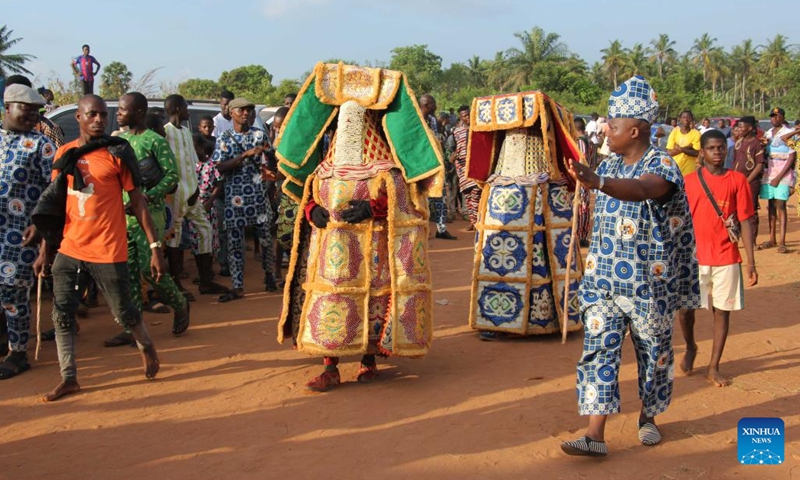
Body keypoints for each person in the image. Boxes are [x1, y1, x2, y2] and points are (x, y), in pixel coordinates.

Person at [275, 62, 440, 392]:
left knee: (372, 304)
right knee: (332, 303)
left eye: (356, 118)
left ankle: (368, 360)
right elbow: (308, 195)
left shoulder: (385, 169)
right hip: (330, 259)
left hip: (372, 255)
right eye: (344, 119)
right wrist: (311, 210)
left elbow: (405, 201)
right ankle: (330, 366)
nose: (350, 124)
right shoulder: (324, 168)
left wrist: (372, 208)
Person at [561, 76, 699, 457]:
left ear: (634, 129)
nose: (606, 128)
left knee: (653, 354)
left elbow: (643, 190)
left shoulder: (663, 165)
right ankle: (594, 435)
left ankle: (649, 418)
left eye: (613, 124)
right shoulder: (610, 164)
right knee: (598, 350)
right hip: (604, 280)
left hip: (648, 284)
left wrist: (598, 181)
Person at [32, 95, 165, 402]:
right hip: (70, 247)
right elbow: (54, 205)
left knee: (123, 312)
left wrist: (155, 246)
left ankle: (144, 343)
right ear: (77, 117)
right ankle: (69, 377)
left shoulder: (118, 153)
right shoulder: (65, 154)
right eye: (92, 114)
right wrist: (44, 250)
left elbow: (138, 202)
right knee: (62, 313)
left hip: (108, 248)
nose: (99, 120)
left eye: (103, 115)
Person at [466, 91, 584, 342]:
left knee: (536, 254)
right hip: (511, 186)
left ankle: (545, 318)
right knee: (500, 254)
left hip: (527, 185)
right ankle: (501, 319)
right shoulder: (502, 180)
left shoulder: (543, 178)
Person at [103, 92, 190, 348]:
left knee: (147, 268)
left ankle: (179, 303)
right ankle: (133, 328)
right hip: (121, 216)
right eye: (117, 109)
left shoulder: (154, 141)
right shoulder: (118, 140)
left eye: (122, 110)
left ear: (138, 112)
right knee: (127, 274)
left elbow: (171, 176)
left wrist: (146, 196)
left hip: (147, 215)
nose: (117, 114)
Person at [677, 130, 758, 387]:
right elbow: (679, 220)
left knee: (722, 312)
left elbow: (745, 220)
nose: (717, 152)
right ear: (702, 152)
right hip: (694, 256)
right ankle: (690, 346)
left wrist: (751, 262)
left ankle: (714, 366)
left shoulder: (738, 180)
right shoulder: (689, 181)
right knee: (686, 310)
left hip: (727, 256)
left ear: (727, 149)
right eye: (712, 148)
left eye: (721, 148)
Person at [0, 85, 54, 379]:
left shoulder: (42, 145)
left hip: (19, 233)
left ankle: (18, 353)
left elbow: (56, 189)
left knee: (13, 292)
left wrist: (42, 225)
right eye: (26, 109)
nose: (32, 115)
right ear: (7, 108)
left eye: (36, 110)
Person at [163, 95, 230, 296]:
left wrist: (196, 191)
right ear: (176, 108)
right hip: (175, 195)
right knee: (174, 238)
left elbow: (193, 163)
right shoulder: (165, 133)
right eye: (184, 107)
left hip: (192, 194)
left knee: (205, 231)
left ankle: (206, 280)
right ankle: (176, 284)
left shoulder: (185, 132)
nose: (188, 111)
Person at [212, 97, 276, 301]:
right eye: (241, 110)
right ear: (232, 113)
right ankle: (238, 285)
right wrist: (244, 155)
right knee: (234, 243)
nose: (246, 113)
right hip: (234, 199)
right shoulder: (224, 138)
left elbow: (272, 159)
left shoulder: (259, 135)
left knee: (266, 239)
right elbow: (219, 167)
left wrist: (269, 168)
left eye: (249, 109)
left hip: (258, 196)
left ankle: (270, 275)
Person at [420, 93, 455, 240]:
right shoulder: (414, 118)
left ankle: (441, 229)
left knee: (439, 196)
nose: (435, 107)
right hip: (420, 165)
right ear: (426, 105)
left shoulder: (433, 120)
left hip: (435, 163)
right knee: (421, 198)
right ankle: (422, 229)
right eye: (433, 105)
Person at [731, 116, 765, 245]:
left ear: (750, 128)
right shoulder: (739, 142)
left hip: (750, 183)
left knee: (750, 211)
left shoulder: (756, 144)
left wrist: (747, 181)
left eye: (741, 126)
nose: (739, 129)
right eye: (738, 126)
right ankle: (737, 238)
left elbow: (759, 165)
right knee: (735, 210)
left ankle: (752, 241)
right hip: (736, 181)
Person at [452, 105, 479, 231]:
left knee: (476, 193)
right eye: (465, 116)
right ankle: (473, 221)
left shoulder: (478, 128)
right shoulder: (456, 131)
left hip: (476, 167)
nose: (468, 118)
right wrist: (452, 158)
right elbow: (451, 150)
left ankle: (477, 221)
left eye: (469, 115)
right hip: (462, 168)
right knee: (468, 195)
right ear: (460, 117)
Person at [666, 110, 701, 177]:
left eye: (688, 117)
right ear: (680, 119)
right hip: (675, 169)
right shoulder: (674, 132)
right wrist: (688, 147)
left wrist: (680, 148)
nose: (686, 119)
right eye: (683, 117)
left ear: (691, 119)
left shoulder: (696, 134)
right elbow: (669, 152)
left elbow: (696, 153)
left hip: (689, 171)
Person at [575, 117, 592, 247]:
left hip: (582, 179)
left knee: (582, 207)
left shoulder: (580, 142)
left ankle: (580, 236)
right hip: (586, 177)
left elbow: (582, 160)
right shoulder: (589, 141)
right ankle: (582, 235)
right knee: (583, 206)